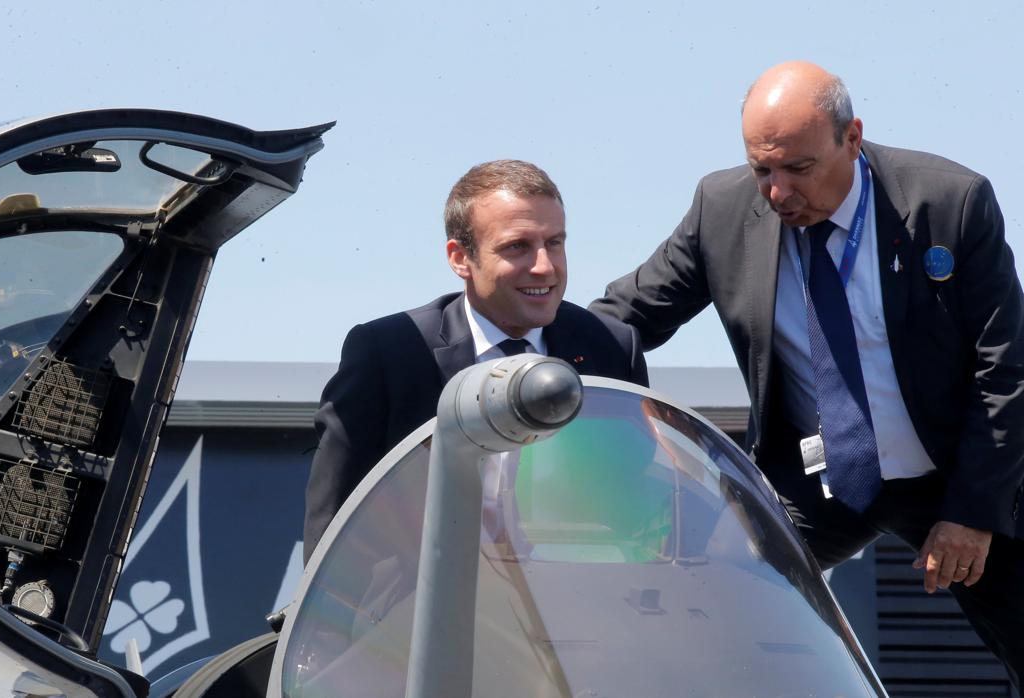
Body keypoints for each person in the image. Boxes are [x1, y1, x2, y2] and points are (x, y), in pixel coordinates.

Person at [591, 61, 1024, 684]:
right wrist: (524, 357)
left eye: (798, 169)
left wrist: (974, 512)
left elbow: (1004, 369)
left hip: (960, 475)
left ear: (852, 140)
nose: (777, 193)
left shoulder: (950, 202)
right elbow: (625, 320)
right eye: (761, 168)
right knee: (704, 609)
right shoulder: (722, 209)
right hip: (815, 488)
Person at [304, 159, 648, 561]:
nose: (544, 266)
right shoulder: (389, 353)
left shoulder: (611, 348)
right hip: (417, 612)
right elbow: (336, 517)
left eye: (554, 242)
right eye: (518, 247)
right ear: (459, 258)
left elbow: (633, 504)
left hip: (570, 603)